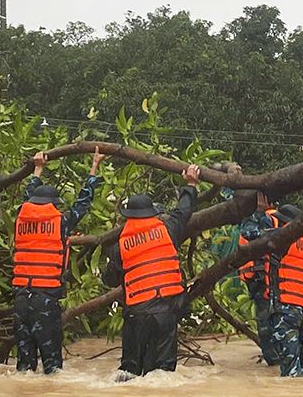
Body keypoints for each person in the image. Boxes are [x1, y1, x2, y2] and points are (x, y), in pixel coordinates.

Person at [12, 147, 106, 374]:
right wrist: (93, 169)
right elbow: (82, 204)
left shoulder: (20, 219)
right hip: (45, 299)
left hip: (21, 299)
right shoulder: (60, 222)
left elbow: (27, 196)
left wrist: (37, 170)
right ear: (53, 204)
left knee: (24, 368)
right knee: (52, 367)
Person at [102, 164, 200, 379]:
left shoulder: (120, 246)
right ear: (153, 214)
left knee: (130, 372)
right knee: (162, 375)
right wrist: (191, 184)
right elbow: (183, 211)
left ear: (128, 217)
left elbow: (109, 280)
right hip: (165, 314)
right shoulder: (167, 230)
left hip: (135, 317)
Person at [243, 203, 303, 377]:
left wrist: (259, 212)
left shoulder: (282, 237)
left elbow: (248, 232)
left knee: (290, 371)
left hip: (287, 308)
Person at [238, 193, 280, 365]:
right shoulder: (281, 220)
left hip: (264, 285)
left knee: (266, 329)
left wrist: (258, 213)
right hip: (269, 284)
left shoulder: (268, 221)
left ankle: (275, 363)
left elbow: (247, 232)